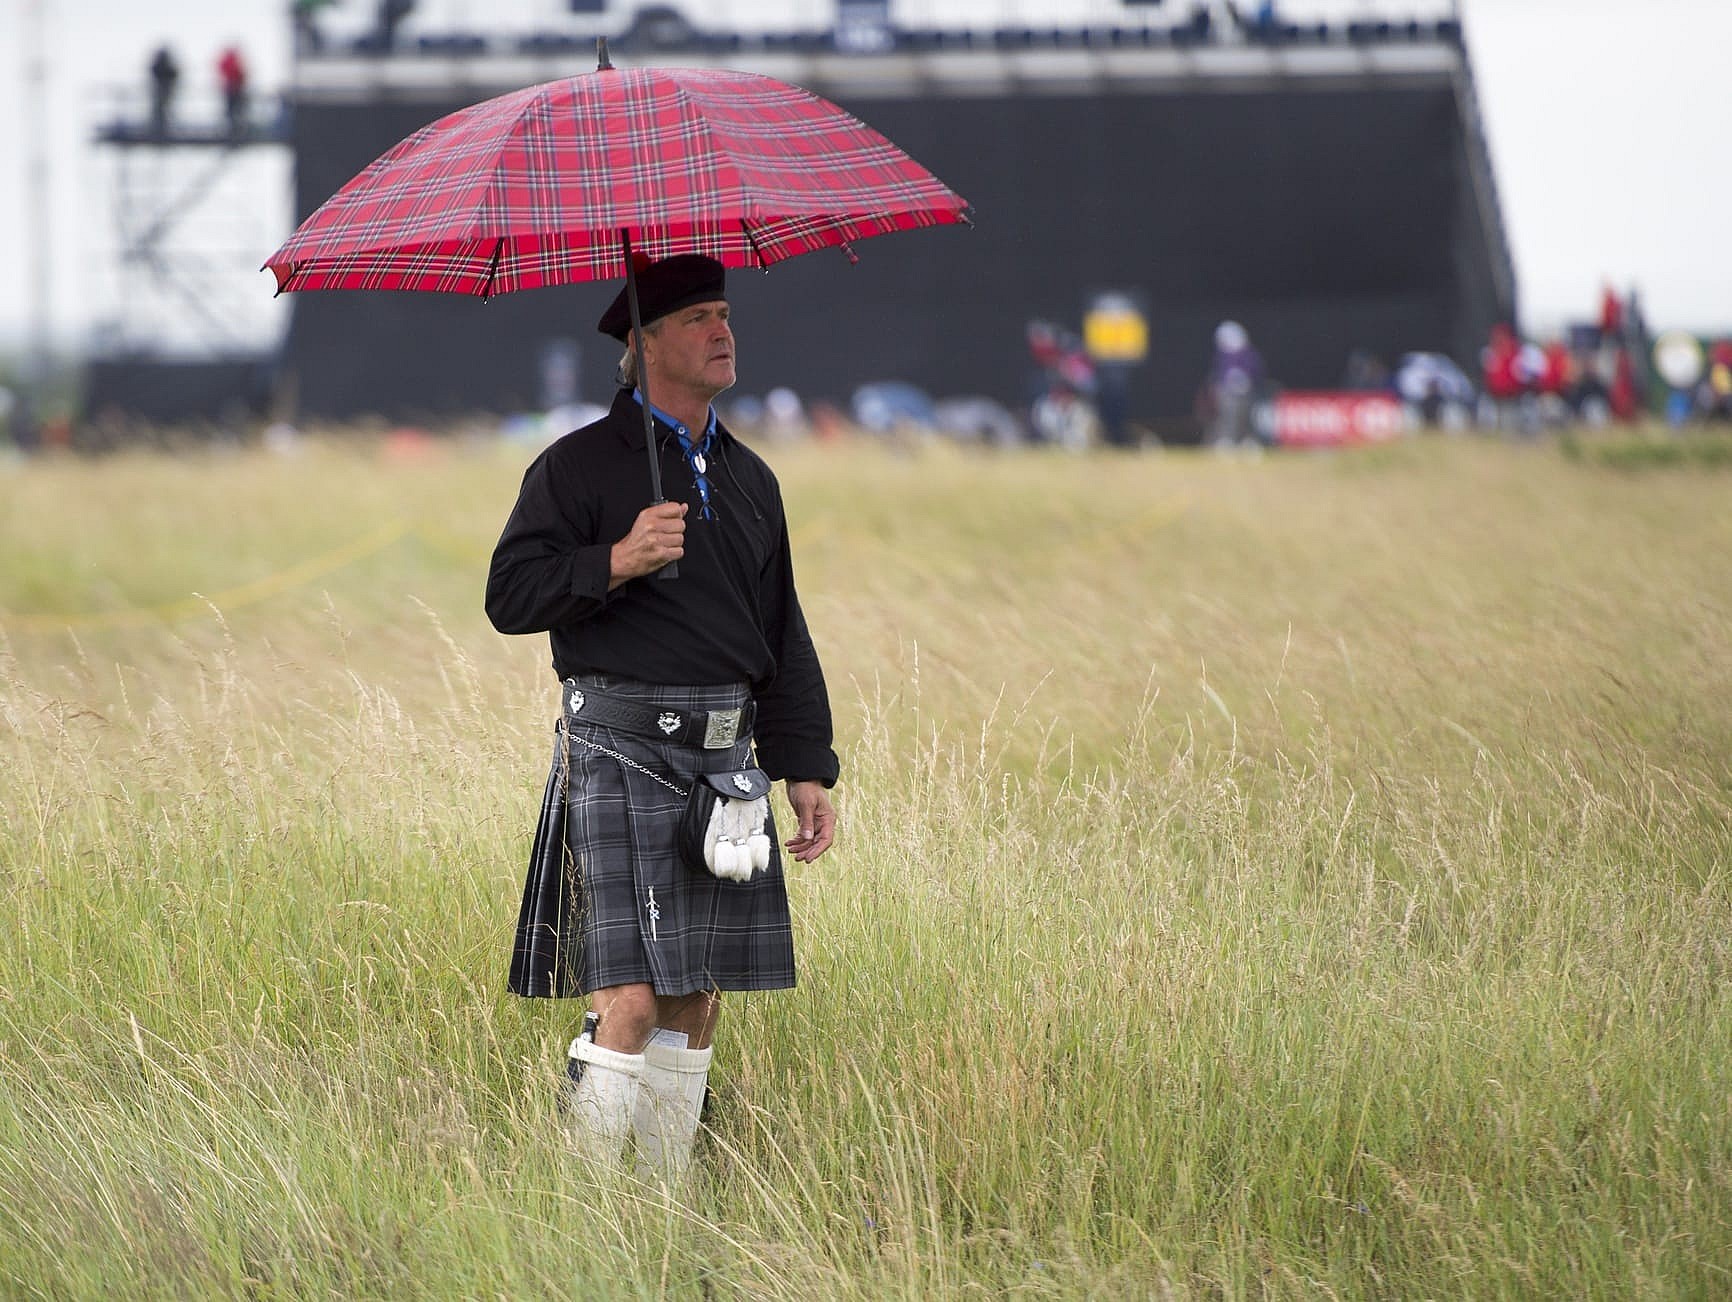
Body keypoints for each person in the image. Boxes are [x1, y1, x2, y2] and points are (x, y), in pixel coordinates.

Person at [485, 254, 839, 1181]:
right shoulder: (576, 468)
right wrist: (615, 560)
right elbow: (509, 595)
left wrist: (806, 765)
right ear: (641, 346)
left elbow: (780, 629)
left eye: (724, 313)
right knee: (632, 1001)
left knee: (698, 1002)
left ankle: (665, 1201)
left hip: (728, 764)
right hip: (620, 749)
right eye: (697, 319)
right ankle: (592, 1210)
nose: (723, 332)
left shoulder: (751, 478)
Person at [1204, 319, 1264, 446]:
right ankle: (1227, 440)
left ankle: (1247, 441)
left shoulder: (1247, 353)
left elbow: (1255, 370)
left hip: (1245, 391)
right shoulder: (1223, 355)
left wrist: (1246, 381)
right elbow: (1219, 372)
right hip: (1226, 391)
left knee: (1246, 416)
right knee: (1227, 416)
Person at [148, 45, 179, 139]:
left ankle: (159, 125)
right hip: (164, 91)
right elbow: (174, 73)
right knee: (162, 108)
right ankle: (160, 125)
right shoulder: (167, 65)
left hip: (162, 91)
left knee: (160, 108)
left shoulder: (158, 65)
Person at [216, 46, 248, 138]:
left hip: (233, 89)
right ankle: (235, 128)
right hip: (233, 89)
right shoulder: (232, 61)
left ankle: (235, 128)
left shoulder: (230, 61)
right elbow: (239, 73)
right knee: (234, 110)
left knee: (234, 110)